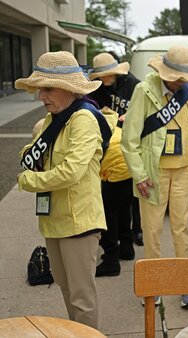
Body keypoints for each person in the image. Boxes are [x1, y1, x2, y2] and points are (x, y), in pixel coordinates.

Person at [15, 51, 115, 329]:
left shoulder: (83, 119)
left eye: (46, 89)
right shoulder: (54, 117)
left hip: (79, 220)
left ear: (66, 88)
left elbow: (71, 172)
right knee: (66, 287)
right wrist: (30, 152)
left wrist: (28, 181)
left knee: (82, 297)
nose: (41, 96)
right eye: (39, 89)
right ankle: (77, 334)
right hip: (54, 220)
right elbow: (36, 149)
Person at [121, 45, 188, 309]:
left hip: (184, 170)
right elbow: (130, 139)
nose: (177, 81)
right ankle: (154, 283)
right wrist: (139, 174)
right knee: (151, 230)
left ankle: (185, 284)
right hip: (153, 172)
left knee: (182, 229)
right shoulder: (144, 90)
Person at [88, 52, 144, 257]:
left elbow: (145, 107)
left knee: (134, 194)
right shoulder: (96, 88)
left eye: (108, 76)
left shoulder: (133, 84)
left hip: (132, 142)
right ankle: (123, 241)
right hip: (109, 148)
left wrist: (130, 115)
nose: (105, 80)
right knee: (115, 197)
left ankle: (137, 231)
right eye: (101, 77)